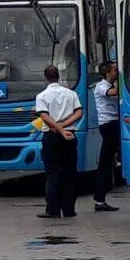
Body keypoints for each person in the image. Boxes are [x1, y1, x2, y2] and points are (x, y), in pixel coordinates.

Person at [35, 64, 82, 219]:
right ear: (58, 77)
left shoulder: (42, 96)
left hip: (51, 136)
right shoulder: (71, 94)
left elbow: (44, 116)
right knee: (69, 172)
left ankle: (52, 209)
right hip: (70, 134)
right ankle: (69, 209)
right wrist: (64, 127)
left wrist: (58, 128)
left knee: (52, 173)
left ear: (45, 78)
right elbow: (79, 113)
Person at [92, 61, 120, 212]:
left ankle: (100, 197)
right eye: (115, 70)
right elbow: (113, 93)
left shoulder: (111, 85)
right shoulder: (101, 86)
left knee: (107, 160)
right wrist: (126, 81)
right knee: (105, 161)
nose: (117, 73)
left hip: (115, 123)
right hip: (108, 124)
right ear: (107, 73)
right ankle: (99, 198)